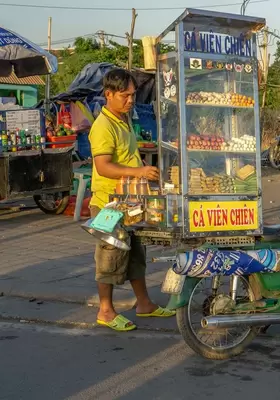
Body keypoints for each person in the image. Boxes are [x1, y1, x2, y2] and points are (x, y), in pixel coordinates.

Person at [89, 68, 174, 332]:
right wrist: (138, 171)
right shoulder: (102, 126)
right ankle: (105, 310)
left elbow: (128, 157)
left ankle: (144, 303)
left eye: (132, 95)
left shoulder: (123, 120)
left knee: (137, 254)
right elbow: (103, 166)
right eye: (125, 95)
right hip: (108, 204)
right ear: (108, 95)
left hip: (131, 203)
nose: (130, 100)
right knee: (110, 257)